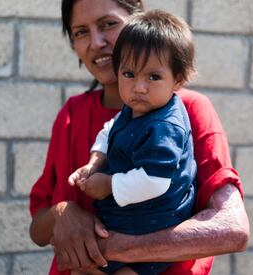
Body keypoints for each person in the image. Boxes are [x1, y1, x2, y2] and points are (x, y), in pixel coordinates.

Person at [29, 0, 250, 274]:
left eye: (108, 24)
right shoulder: (72, 114)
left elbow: (232, 229)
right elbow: (38, 229)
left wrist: (112, 249)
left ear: (137, 23)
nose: (96, 42)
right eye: (80, 32)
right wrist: (62, 214)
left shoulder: (188, 111)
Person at [68, 10, 197, 274]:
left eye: (153, 77)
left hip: (154, 227)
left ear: (178, 80)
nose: (139, 87)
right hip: (130, 218)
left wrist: (108, 184)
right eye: (129, 74)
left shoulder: (164, 125)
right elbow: (109, 130)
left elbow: (154, 180)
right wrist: (95, 161)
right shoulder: (136, 108)